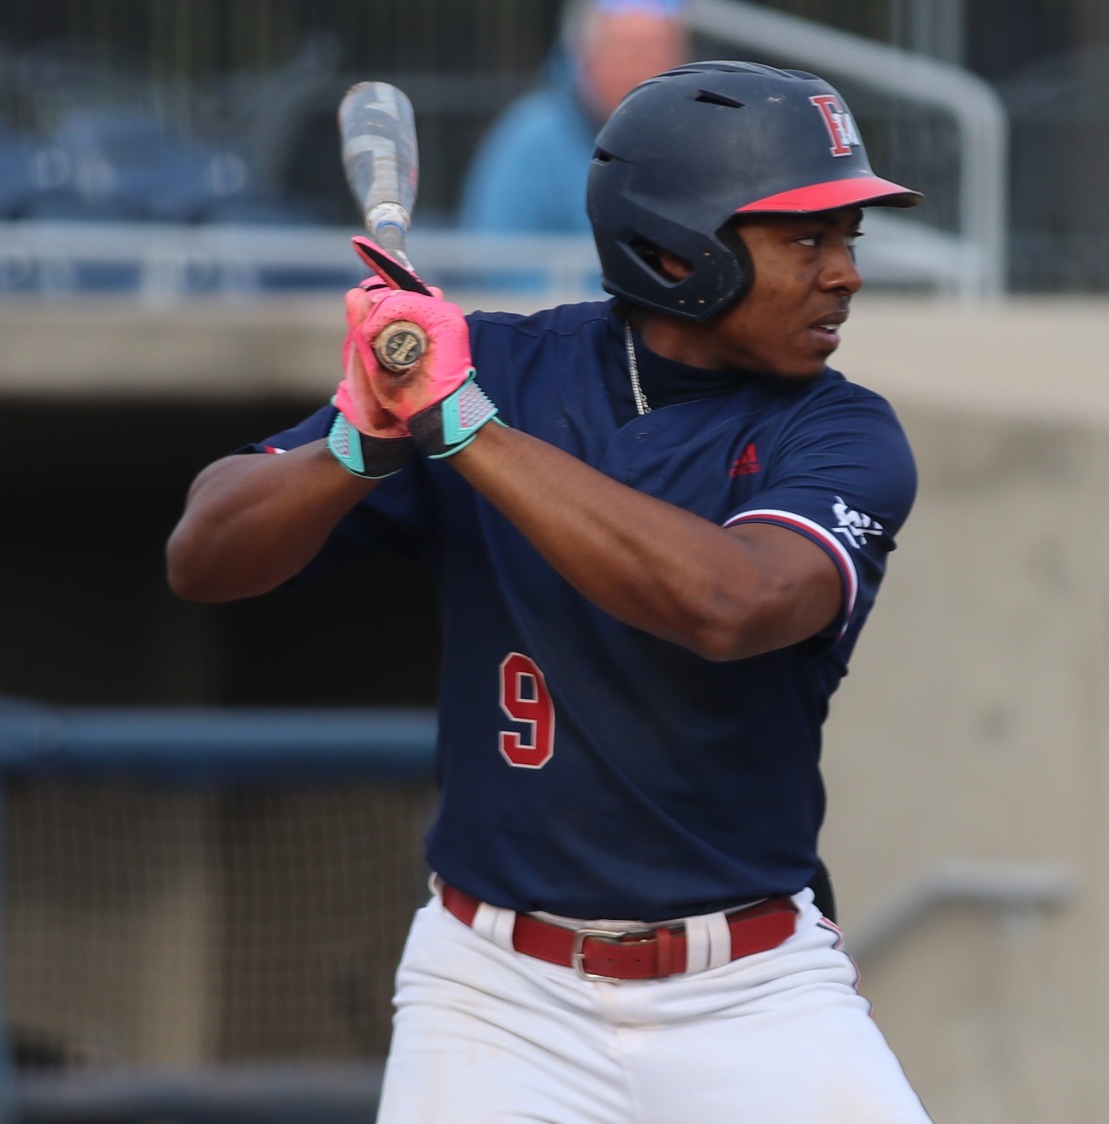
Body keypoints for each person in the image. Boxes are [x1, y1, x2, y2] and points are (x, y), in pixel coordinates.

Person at [166, 61, 930, 1122]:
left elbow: (735, 603)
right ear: (677, 249)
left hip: (750, 990)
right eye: (806, 239)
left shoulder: (841, 432)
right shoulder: (498, 367)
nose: (844, 273)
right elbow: (203, 555)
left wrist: (460, 428)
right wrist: (361, 443)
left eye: (848, 236)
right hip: (495, 995)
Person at [458, 0, 688, 237]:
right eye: (626, 53)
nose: (640, 71)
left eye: (656, 52)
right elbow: (497, 251)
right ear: (586, 57)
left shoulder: (698, 142)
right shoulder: (529, 144)